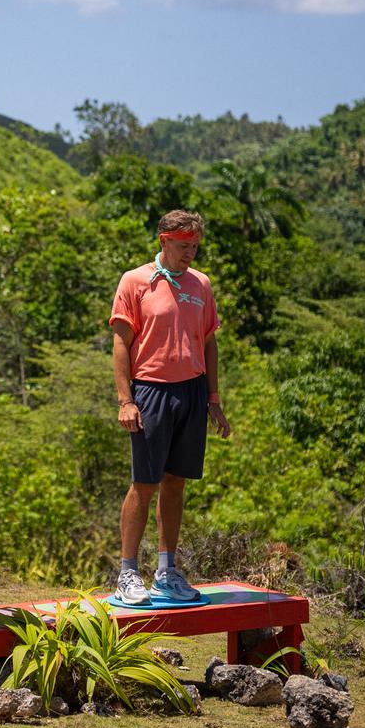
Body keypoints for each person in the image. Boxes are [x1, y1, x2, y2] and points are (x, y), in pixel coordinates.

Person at [109, 210, 231, 606]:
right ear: (164, 241)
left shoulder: (201, 284)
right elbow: (121, 343)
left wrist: (213, 399)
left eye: (195, 246)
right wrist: (126, 400)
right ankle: (128, 572)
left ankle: (167, 571)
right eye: (183, 245)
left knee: (176, 482)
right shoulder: (135, 280)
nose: (190, 253)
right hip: (150, 391)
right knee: (144, 483)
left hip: (191, 392)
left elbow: (209, 342)